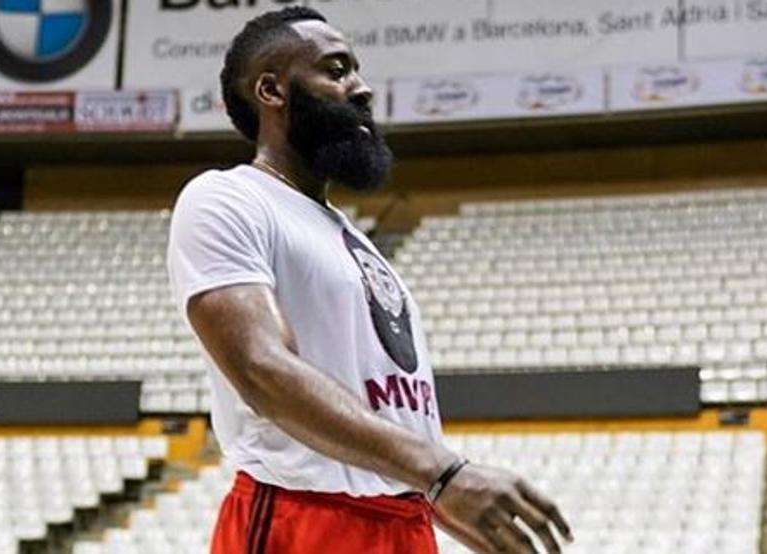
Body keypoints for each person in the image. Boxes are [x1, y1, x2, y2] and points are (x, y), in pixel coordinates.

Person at [167, 7, 572, 553]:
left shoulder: (351, 238)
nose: (362, 88)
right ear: (272, 90)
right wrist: (444, 472)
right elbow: (261, 368)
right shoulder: (227, 198)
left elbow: (391, 421)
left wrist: (459, 511)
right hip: (302, 519)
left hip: (404, 522)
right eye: (336, 71)